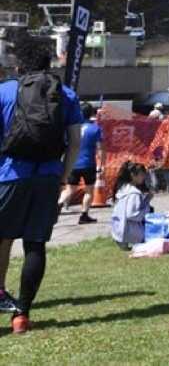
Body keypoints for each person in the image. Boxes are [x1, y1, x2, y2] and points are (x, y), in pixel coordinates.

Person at [0, 33, 84, 334]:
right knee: (35, 244)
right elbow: (75, 142)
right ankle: (21, 314)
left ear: (18, 64)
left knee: (2, 237)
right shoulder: (66, 94)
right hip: (48, 176)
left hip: (10, 175)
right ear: (48, 63)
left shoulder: (4, 91)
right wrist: (63, 175)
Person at [59, 101, 102, 223]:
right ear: (91, 113)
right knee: (89, 190)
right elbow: (100, 148)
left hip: (73, 163)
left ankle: (58, 204)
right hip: (88, 163)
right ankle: (84, 215)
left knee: (69, 189)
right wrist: (101, 165)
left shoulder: (73, 128)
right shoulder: (95, 129)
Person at [110, 160, 152, 249]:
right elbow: (132, 215)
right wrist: (147, 209)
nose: (144, 177)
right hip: (129, 233)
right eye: (141, 174)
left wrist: (147, 200)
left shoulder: (123, 188)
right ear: (133, 175)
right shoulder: (134, 193)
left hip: (118, 231)